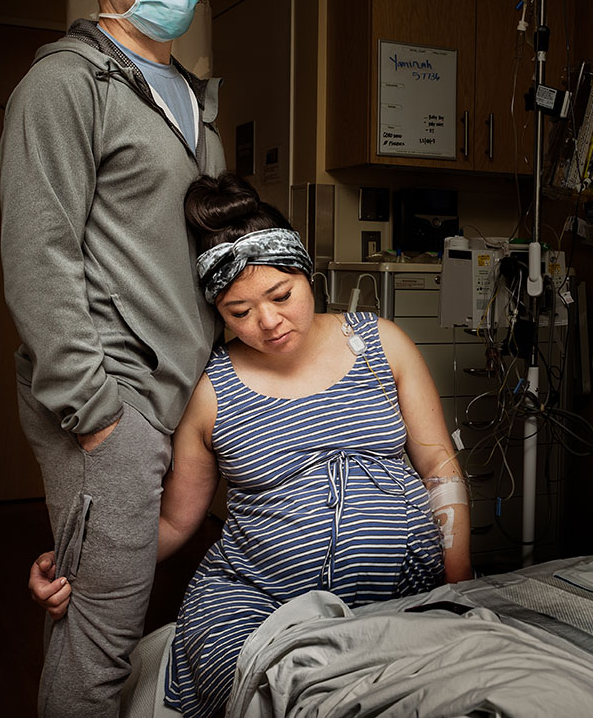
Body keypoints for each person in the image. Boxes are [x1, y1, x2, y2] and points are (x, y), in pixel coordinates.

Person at [34, 173, 473, 718]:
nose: (267, 322)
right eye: (238, 312)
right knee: (295, 701)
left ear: (306, 272)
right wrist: (79, 566)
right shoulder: (211, 390)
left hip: (405, 593)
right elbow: (172, 523)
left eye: (281, 295)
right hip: (251, 606)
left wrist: (457, 588)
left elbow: (439, 466)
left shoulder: (382, 342)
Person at [0, 0, 224, 717]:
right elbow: (39, 254)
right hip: (112, 401)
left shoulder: (192, 101)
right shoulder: (64, 86)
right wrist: (97, 411)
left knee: (122, 615)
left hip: (179, 398)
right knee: (99, 644)